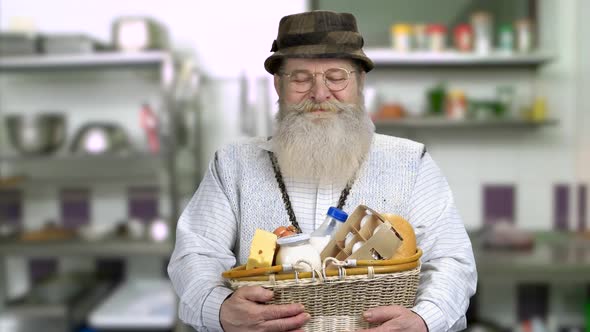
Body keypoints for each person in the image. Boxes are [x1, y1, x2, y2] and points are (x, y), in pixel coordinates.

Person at [168, 10, 477, 332]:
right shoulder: (232, 164)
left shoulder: (411, 161)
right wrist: (219, 310)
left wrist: (424, 319)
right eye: (300, 78)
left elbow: (451, 261)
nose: (319, 93)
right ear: (278, 85)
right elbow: (195, 256)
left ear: (359, 81)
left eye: (336, 76)